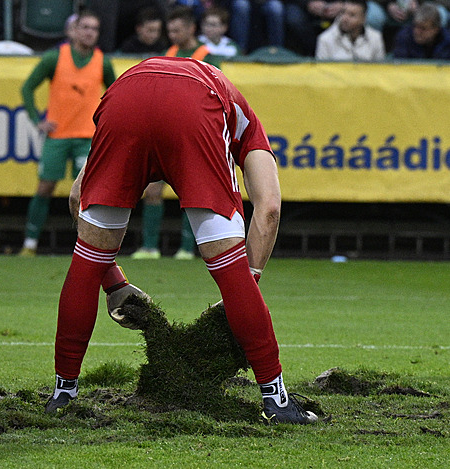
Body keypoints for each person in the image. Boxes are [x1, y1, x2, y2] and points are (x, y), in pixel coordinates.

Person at [45, 56, 319, 425]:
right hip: (195, 106)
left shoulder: (148, 86)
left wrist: (113, 283)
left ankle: (63, 394)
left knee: (87, 261)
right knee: (231, 271)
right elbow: (268, 210)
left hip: (124, 96)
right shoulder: (246, 123)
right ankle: (276, 400)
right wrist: (244, 287)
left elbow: (78, 199)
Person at [19, 10, 116, 256]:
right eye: (85, 27)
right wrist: (36, 119)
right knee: (45, 187)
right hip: (58, 136)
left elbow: (115, 94)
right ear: (72, 30)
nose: (89, 32)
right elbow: (28, 87)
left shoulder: (102, 61)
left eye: (94, 28)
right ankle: (29, 244)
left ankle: (87, 247)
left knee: (86, 193)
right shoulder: (55, 58)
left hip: (87, 138)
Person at [131, 5, 221, 260]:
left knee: (190, 193)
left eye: (177, 30)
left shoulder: (208, 56)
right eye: (169, 30)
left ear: (192, 29)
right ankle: (150, 247)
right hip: (165, 132)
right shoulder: (166, 54)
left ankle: (187, 249)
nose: (172, 34)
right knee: (153, 191)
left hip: (193, 134)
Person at [316, 0, 386, 60]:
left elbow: (380, 70)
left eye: (352, 15)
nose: (345, 18)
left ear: (363, 19)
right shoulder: (325, 39)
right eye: (343, 12)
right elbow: (322, 72)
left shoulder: (375, 38)